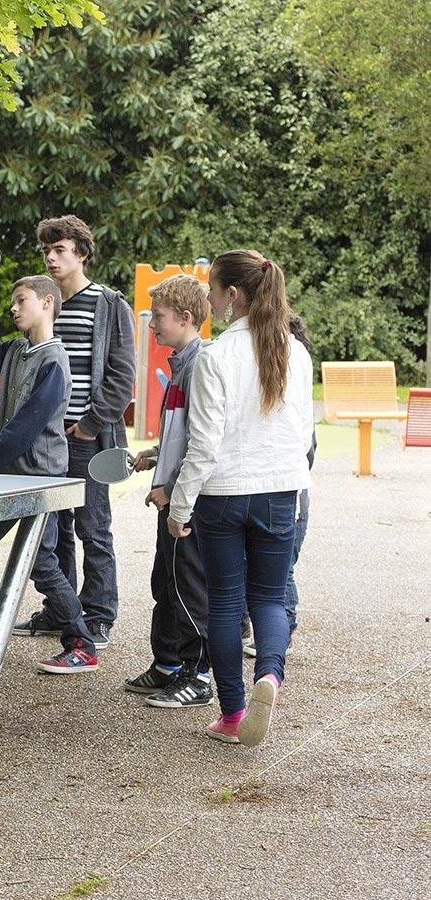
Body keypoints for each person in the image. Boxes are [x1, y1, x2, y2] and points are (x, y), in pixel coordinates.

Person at [167, 251, 313, 748]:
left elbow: (204, 444)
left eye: (212, 288)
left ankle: (232, 715)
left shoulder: (214, 356)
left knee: (225, 605)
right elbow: (305, 434)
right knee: (270, 597)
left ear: (232, 295)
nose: (208, 297)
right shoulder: (298, 352)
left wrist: (179, 508)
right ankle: (270, 676)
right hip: (280, 491)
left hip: (224, 495)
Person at [0, 274, 98, 673]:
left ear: (46, 303)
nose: (12, 307)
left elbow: (24, 429)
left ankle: (82, 643)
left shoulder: (55, 362)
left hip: (39, 482)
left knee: (41, 565)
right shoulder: (14, 351)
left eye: (20, 300)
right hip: (6, 480)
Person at [12, 214, 136, 649]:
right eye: (46, 250)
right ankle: (61, 611)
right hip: (48, 441)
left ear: (81, 253)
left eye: (60, 249)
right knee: (55, 527)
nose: (50, 257)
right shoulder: (43, 304)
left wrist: (87, 425)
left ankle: (99, 615)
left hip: (87, 437)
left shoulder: (109, 302)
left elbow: (122, 376)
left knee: (93, 528)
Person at [122, 274, 213, 708]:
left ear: (185, 317)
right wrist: (156, 454)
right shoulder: (181, 363)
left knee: (188, 587)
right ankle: (168, 664)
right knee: (165, 583)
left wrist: (172, 490)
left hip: (187, 502)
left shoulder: (200, 366)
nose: (153, 324)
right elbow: (183, 432)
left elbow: (206, 441)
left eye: (158, 317)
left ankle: (201, 676)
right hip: (171, 496)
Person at [242, 310, 316, 657]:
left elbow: (305, 450)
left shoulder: (290, 390)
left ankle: (281, 631)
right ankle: (262, 626)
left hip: (290, 495)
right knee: (266, 566)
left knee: (280, 569)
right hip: (282, 491)